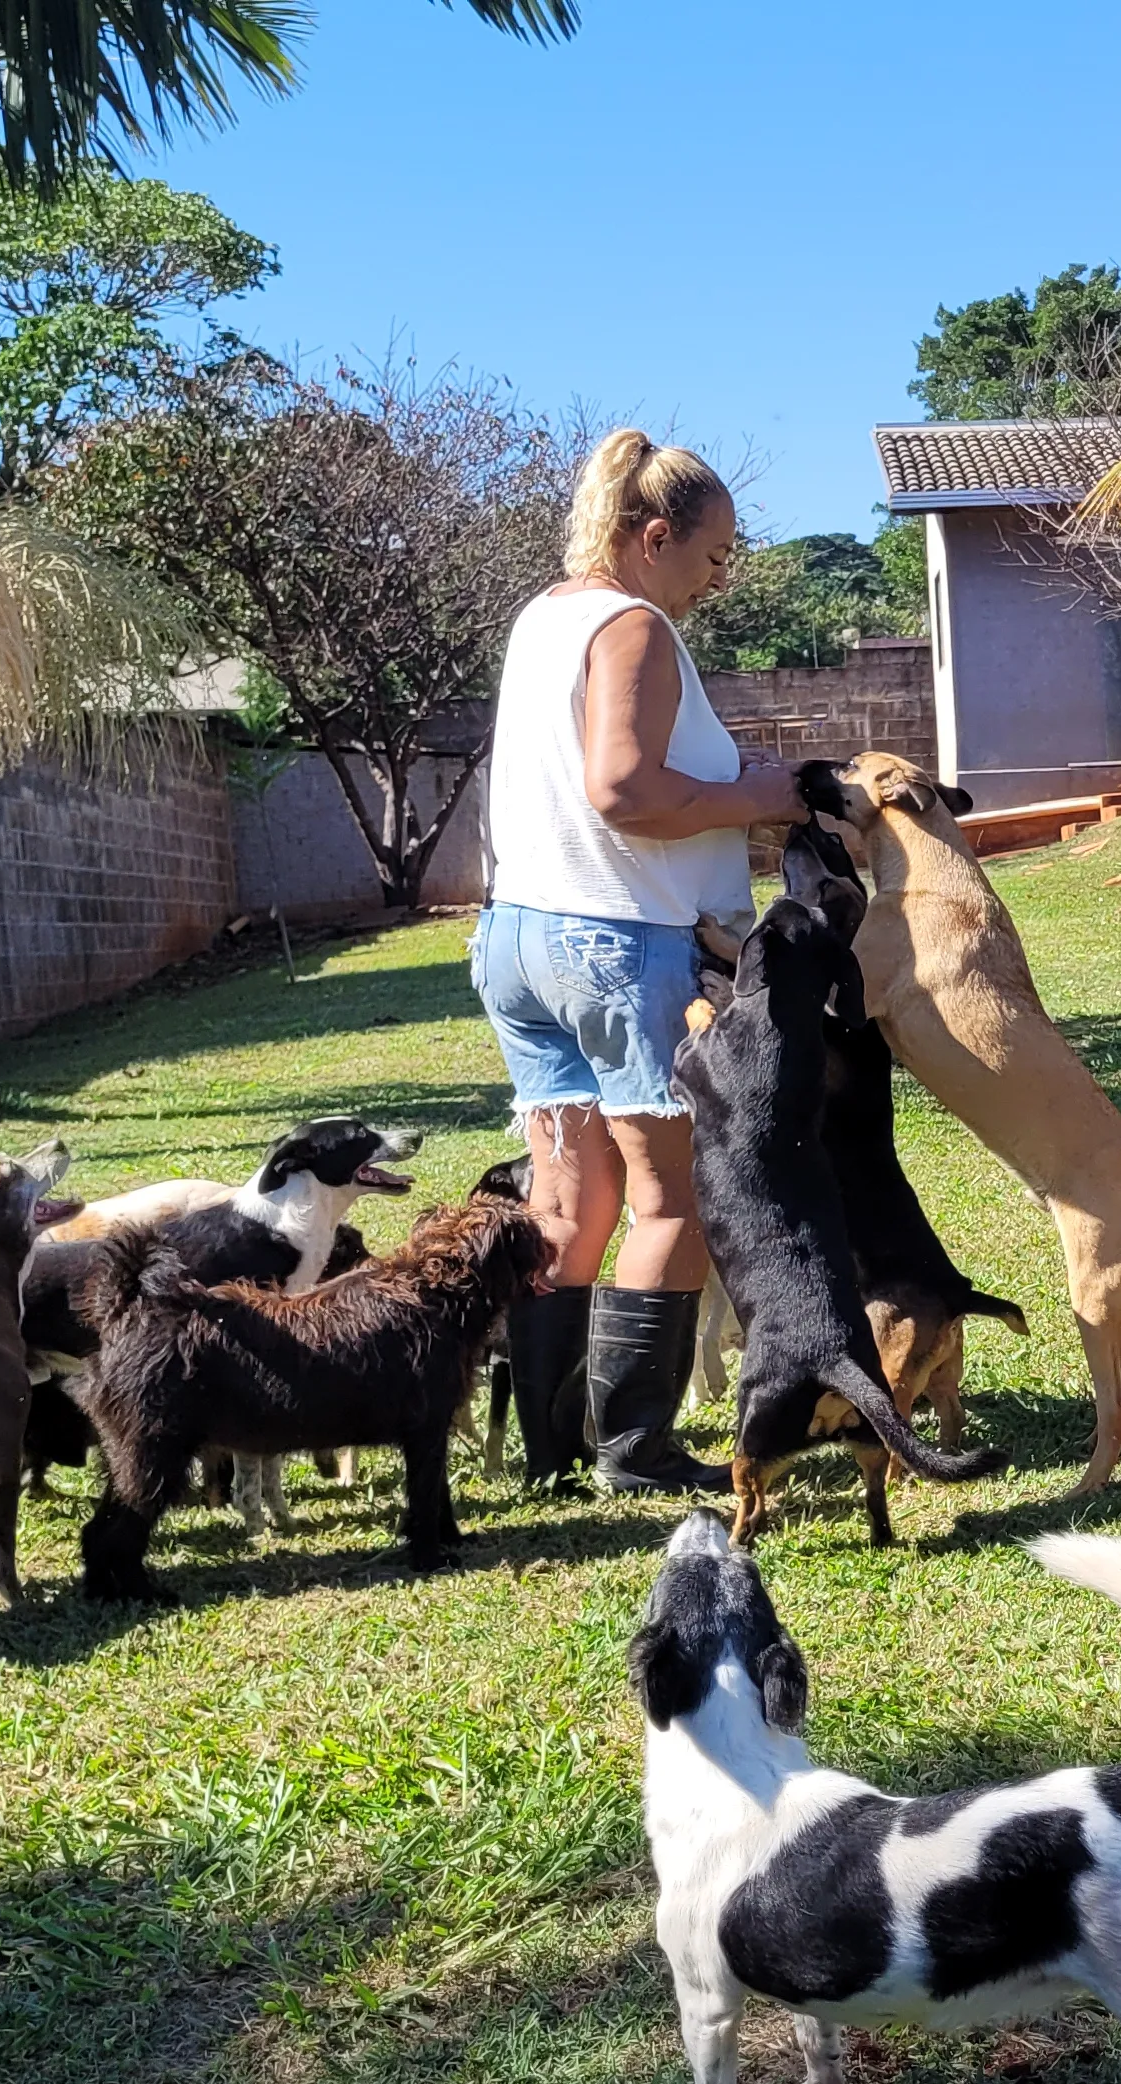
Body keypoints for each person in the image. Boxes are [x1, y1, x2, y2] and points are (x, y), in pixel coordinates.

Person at [476, 431, 808, 1492]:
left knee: (569, 1207)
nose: (719, 579)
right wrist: (761, 794)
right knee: (674, 1203)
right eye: (713, 556)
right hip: (619, 947)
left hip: (521, 939)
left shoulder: (543, 618)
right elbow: (624, 791)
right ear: (654, 538)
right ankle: (635, 1451)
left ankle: (551, 1452)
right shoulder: (636, 628)